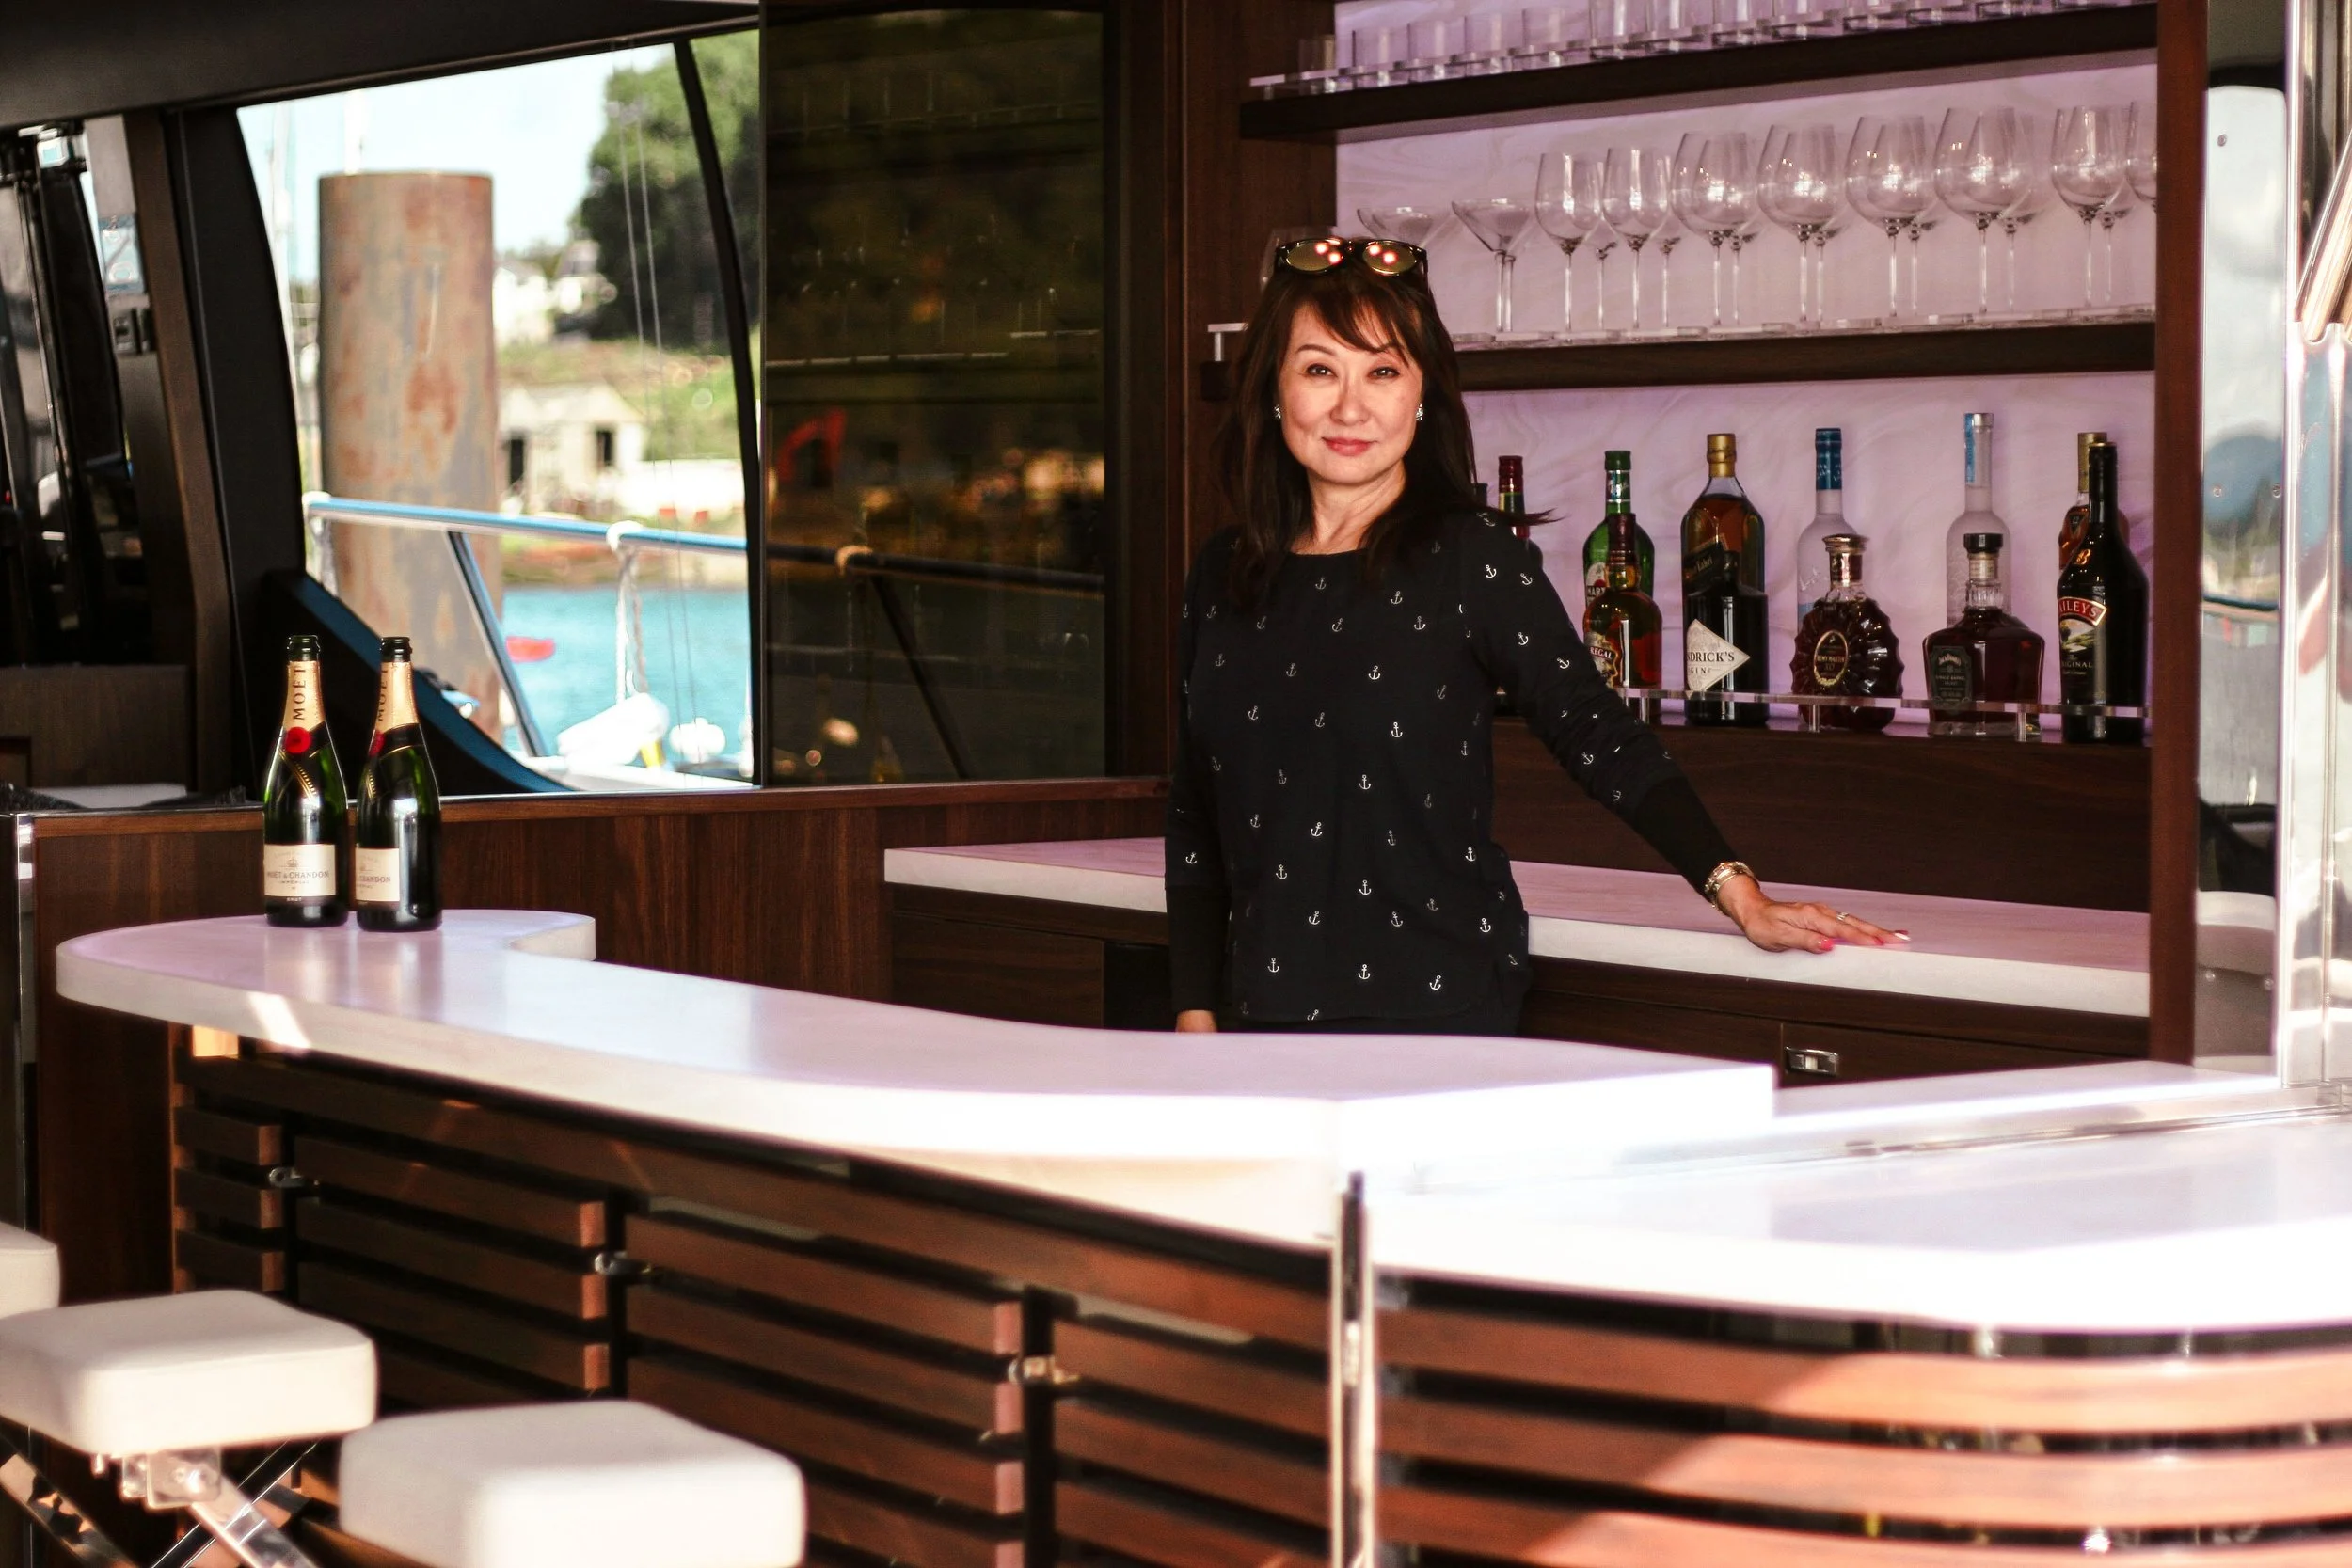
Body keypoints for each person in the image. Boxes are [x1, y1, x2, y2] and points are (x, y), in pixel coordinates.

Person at [1166, 235, 1900, 1036]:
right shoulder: (1225, 572)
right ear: (1275, 389)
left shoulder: (1471, 557)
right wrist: (1196, 1005)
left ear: (1423, 394)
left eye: (1382, 371)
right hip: (1259, 1011)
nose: (1350, 407)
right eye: (1319, 370)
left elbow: (1595, 730)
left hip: (1436, 1007)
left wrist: (1739, 892)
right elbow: (1196, 808)